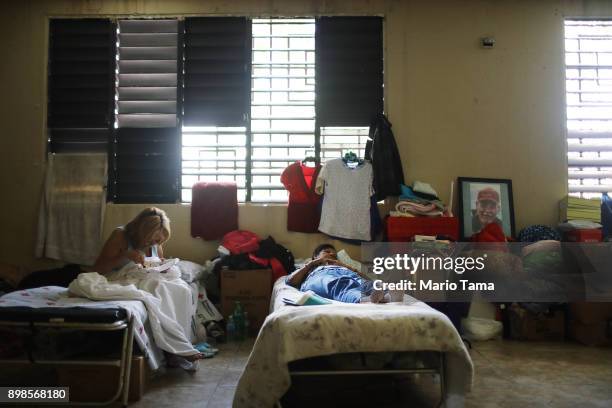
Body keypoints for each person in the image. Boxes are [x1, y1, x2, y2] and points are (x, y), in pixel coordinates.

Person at [286, 244, 387, 303]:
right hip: (322, 275)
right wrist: (314, 263)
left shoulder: (343, 266)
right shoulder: (310, 268)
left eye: (334, 254)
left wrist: (345, 266)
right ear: (315, 256)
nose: (332, 254)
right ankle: (364, 300)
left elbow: (368, 279)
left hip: (348, 274)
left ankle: (388, 295)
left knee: (369, 284)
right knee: (340, 283)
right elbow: (290, 281)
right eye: (327, 252)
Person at [93, 207, 170, 274]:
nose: (153, 244)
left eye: (158, 241)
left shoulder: (156, 242)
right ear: (140, 231)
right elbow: (97, 270)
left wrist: (162, 267)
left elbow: (149, 266)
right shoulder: (120, 235)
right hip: (118, 282)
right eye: (149, 240)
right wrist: (124, 255)